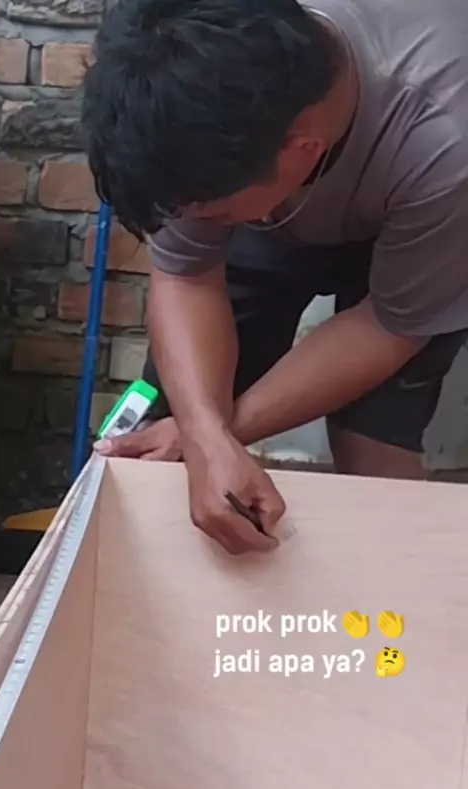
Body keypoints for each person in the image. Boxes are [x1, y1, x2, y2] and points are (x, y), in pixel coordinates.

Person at [82, 0, 468, 555]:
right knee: (171, 435)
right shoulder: (197, 97)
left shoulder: (446, 135)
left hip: (423, 220)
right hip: (262, 198)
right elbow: (186, 276)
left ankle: (400, 596)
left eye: (211, 213)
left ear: (302, 152)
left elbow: (391, 324)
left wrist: (216, 435)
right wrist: (201, 431)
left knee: (374, 440)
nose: (194, 223)